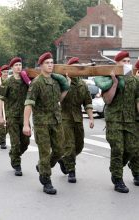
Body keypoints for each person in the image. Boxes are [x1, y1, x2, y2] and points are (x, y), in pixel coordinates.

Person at [23, 52, 70, 194]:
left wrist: (66, 87)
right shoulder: (37, 83)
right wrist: (26, 124)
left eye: (52, 62)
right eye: (47, 63)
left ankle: (43, 166)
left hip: (56, 121)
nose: (50, 65)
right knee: (44, 152)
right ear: (41, 65)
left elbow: (58, 99)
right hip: (42, 122)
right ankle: (46, 180)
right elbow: (29, 104)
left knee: (60, 150)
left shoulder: (55, 82)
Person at [102, 51, 139, 193]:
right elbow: (107, 100)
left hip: (130, 121)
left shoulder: (135, 81)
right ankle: (117, 179)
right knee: (117, 149)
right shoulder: (109, 79)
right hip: (114, 119)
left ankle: (116, 168)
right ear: (116, 64)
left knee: (132, 149)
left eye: (129, 61)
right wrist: (115, 83)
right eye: (124, 61)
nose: (127, 64)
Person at [58, 57, 94, 183]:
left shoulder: (82, 84)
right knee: (70, 146)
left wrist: (91, 118)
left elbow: (87, 102)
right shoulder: (62, 82)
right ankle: (71, 171)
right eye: (74, 67)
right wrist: (66, 84)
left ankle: (63, 160)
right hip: (65, 117)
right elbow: (58, 99)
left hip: (78, 118)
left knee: (79, 146)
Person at [0, 57, 30, 176]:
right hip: (12, 116)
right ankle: (17, 164)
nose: (18, 67)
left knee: (25, 142)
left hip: (24, 116)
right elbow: (0, 100)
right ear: (12, 67)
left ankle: (14, 154)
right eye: (16, 65)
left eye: (20, 65)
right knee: (15, 142)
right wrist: (1, 116)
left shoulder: (26, 81)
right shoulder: (7, 82)